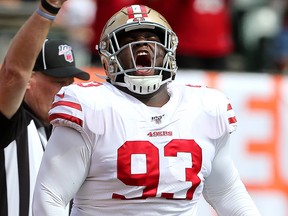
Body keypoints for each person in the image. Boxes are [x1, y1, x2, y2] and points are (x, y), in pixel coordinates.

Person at [33, 4, 261, 216]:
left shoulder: (204, 106)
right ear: (108, 56)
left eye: (151, 38)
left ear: (168, 50)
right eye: (129, 40)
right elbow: (50, 196)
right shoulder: (91, 105)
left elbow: (227, 193)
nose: (142, 45)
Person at [0, 23, 90, 216]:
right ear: (29, 80)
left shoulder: (67, 130)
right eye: (58, 82)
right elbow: (12, 74)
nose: (67, 91)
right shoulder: (11, 123)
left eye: (70, 83)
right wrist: (46, 12)